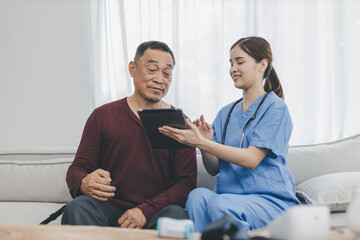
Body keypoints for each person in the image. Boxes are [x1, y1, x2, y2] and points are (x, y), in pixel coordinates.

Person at [159, 36, 300, 232]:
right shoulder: (226, 113)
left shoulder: (275, 108)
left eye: (240, 62)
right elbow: (214, 168)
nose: (233, 68)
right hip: (228, 196)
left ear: (262, 65)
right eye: (231, 63)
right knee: (197, 197)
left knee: (220, 204)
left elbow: (252, 159)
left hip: (270, 200)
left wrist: (204, 143)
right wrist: (203, 143)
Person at [62, 41, 197, 229]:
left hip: (155, 213)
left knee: (177, 215)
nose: (160, 79)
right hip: (109, 210)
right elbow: (78, 168)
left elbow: (185, 184)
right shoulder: (102, 116)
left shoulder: (181, 123)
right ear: (132, 69)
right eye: (152, 69)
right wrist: (84, 182)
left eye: (167, 74)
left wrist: (145, 210)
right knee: (78, 207)